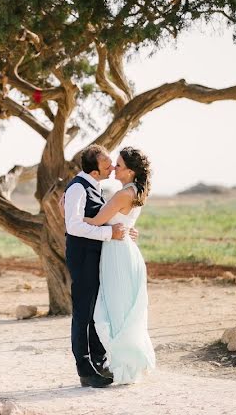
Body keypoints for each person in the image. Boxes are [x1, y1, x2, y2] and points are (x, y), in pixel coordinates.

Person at [62, 144, 137, 388]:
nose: (112, 167)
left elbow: (102, 219)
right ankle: (85, 370)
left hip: (96, 257)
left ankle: (99, 362)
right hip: (82, 257)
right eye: (107, 165)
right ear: (95, 172)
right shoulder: (77, 188)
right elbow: (73, 226)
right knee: (83, 314)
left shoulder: (95, 187)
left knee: (95, 312)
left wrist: (123, 232)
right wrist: (109, 233)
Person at [82, 146, 156, 384]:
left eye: (120, 165)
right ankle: (125, 364)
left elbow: (96, 221)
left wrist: (68, 215)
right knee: (122, 309)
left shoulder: (123, 194)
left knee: (116, 310)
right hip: (124, 251)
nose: (114, 167)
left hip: (117, 255)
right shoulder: (133, 191)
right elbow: (123, 223)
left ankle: (124, 366)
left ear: (131, 171)